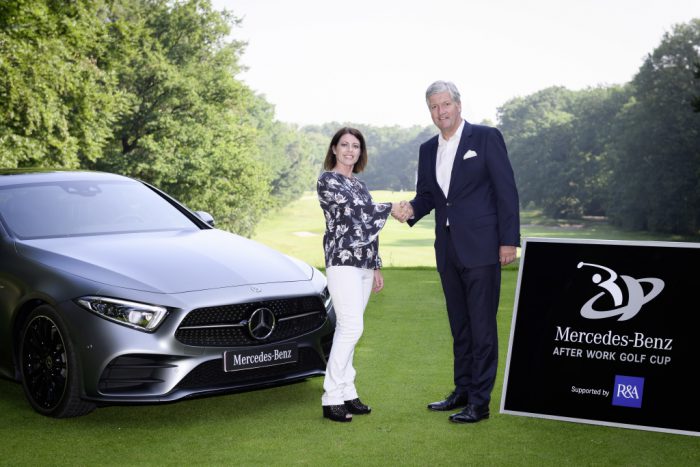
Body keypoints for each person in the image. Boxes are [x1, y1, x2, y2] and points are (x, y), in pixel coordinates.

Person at [393, 81, 520, 424]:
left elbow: (506, 190)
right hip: (448, 250)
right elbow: (428, 196)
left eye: (445, 104)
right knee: (460, 327)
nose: (441, 112)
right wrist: (411, 209)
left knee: (482, 328)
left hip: (482, 248)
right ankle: (462, 390)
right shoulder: (427, 149)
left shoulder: (486, 138)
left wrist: (508, 240)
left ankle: (479, 402)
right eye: (434, 107)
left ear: (458, 105)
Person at [317, 127, 402, 423]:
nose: (350, 150)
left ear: (360, 152)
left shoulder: (360, 185)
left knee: (348, 330)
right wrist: (391, 207)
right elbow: (355, 212)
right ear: (334, 149)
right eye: (344, 145)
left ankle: (347, 392)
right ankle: (331, 397)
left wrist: (376, 265)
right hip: (342, 262)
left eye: (355, 146)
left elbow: (369, 230)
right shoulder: (328, 181)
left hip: (364, 265)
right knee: (352, 328)